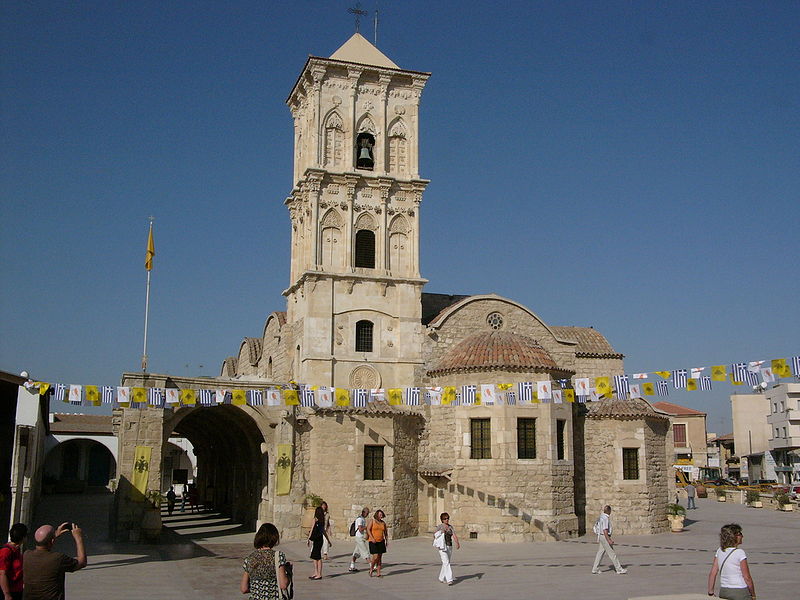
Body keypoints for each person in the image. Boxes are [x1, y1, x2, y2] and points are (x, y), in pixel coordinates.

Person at [22, 522, 87, 600]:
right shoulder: (58, 558)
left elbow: (44, 543)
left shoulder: (26, 555)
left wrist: (53, 536)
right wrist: (78, 538)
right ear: (52, 541)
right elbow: (82, 562)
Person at [241, 523, 290, 600]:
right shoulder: (278, 556)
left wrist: (257, 589)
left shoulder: (249, 559)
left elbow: (244, 589)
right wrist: (289, 573)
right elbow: (283, 585)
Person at [707, 523, 755, 600]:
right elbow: (747, 577)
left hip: (724, 591)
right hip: (740, 591)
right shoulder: (740, 553)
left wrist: (710, 592)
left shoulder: (720, 551)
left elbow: (713, 573)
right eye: (740, 534)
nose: (742, 536)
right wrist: (753, 594)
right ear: (734, 537)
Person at [591, 505, 627, 574]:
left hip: (601, 536)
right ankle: (619, 569)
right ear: (609, 511)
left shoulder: (601, 516)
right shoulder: (605, 518)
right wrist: (609, 540)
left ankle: (595, 568)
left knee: (600, 553)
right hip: (605, 536)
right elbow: (605, 530)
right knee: (612, 553)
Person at [1, 523, 27, 600]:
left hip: (17, 590)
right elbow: (2, 573)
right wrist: (7, 594)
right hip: (9, 591)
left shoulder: (16, 551)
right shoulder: (6, 551)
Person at [434, 512, 460, 585]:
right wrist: (441, 531)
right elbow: (435, 535)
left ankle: (441, 577)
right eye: (445, 519)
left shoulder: (450, 527)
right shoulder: (439, 527)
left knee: (446, 562)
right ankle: (449, 579)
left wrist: (457, 543)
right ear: (442, 520)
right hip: (442, 547)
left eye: (447, 518)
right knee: (446, 562)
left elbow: (454, 535)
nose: (446, 520)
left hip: (449, 546)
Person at [307, 506, 331, 579]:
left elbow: (312, 529)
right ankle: (316, 572)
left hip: (316, 539)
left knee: (317, 557)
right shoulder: (322, 521)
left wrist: (308, 539)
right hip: (319, 539)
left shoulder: (315, 520)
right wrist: (328, 540)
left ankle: (319, 574)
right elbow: (323, 531)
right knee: (315, 556)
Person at [366, 509, 389, 577]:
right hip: (373, 541)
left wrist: (387, 541)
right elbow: (368, 529)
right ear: (377, 515)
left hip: (381, 541)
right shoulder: (372, 521)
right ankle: (371, 568)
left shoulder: (383, 523)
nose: (381, 516)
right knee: (375, 556)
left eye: (382, 515)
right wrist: (372, 538)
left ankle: (378, 572)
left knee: (379, 558)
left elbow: (385, 533)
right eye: (380, 515)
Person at [348, 507, 371, 572]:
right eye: (367, 513)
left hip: (360, 537)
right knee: (365, 551)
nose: (367, 514)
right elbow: (360, 528)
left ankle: (352, 566)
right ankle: (371, 565)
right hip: (359, 538)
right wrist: (367, 527)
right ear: (363, 512)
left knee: (357, 552)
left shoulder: (362, 519)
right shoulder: (360, 519)